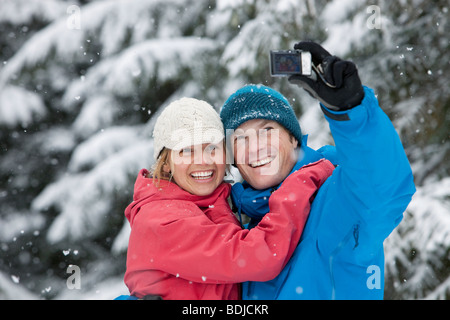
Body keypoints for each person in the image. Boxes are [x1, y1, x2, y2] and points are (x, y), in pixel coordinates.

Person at [219, 41, 416, 300]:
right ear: (233, 159)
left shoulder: (328, 201)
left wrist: (351, 114)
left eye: (267, 131)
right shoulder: (239, 233)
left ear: (294, 140)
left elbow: (381, 191)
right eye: (240, 139)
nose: (255, 148)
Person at [123, 97, 334, 299]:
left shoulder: (210, 206)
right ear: (166, 162)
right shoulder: (162, 219)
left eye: (212, 148)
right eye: (186, 151)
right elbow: (261, 256)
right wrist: (302, 181)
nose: (203, 161)